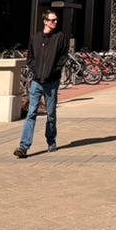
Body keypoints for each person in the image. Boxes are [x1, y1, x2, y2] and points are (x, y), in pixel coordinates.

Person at [14, 9, 69, 158]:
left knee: (51, 113)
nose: (55, 22)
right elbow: (30, 57)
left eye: (56, 20)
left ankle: (51, 140)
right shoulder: (36, 38)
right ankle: (24, 146)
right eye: (52, 20)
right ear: (45, 21)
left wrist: (55, 71)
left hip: (52, 82)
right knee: (31, 113)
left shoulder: (60, 37)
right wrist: (35, 70)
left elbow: (63, 57)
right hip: (37, 81)